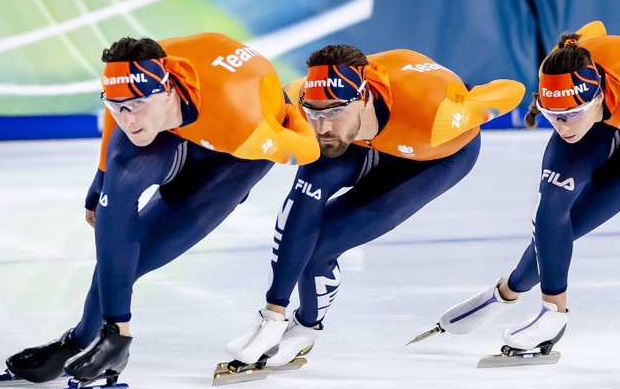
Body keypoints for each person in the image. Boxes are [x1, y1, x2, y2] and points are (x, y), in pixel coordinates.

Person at [411, 20, 620, 362]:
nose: (561, 127)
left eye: (568, 116)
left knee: (578, 220)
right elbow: (594, 29)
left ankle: (522, 300)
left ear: (597, 96)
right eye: (551, 115)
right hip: (601, 116)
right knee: (549, 212)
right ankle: (531, 305)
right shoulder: (559, 68)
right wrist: (566, 113)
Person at [2, 33, 320, 388]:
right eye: (116, 105)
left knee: (136, 260)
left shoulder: (242, 119)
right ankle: (92, 340)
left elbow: (307, 151)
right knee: (119, 194)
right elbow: (123, 111)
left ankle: (103, 342)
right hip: (177, 126)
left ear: (168, 91)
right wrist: (101, 177)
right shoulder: (138, 80)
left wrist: (292, 117)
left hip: (232, 156)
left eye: (136, 105)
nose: (127, 118)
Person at [222, 44, 526, 372]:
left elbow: (512, 90)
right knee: (306, 190)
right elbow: (268, 128)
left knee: (321, 246)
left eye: (334, 111)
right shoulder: (306, 99)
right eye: (314, 112)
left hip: (430, 157)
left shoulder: (437, 112)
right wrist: (242, 182)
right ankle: (272, 317)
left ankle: (306, 327)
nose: (322, 126)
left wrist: (472, 103)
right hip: (361, 139)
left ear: (363, 98)